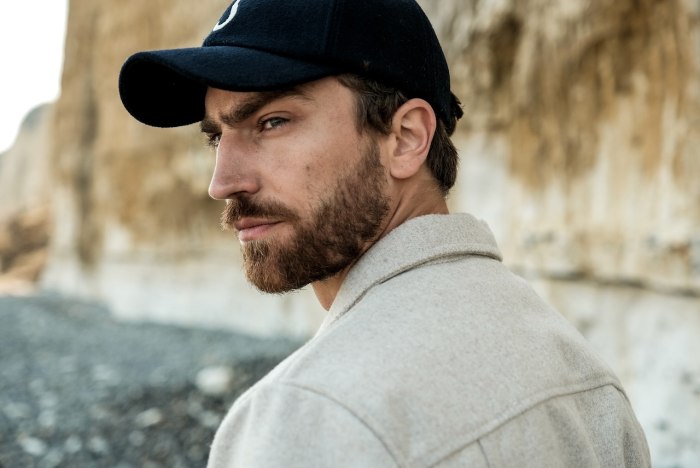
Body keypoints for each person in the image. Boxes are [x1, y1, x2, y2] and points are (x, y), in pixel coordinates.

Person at [119, 0, 650, 466]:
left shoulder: (309, 414)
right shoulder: (585, 378)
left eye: (272, 122)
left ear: (406, 138)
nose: (222, 183)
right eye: (217, 137)